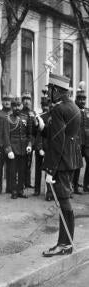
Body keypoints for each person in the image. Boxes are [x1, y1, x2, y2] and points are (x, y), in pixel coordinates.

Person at [38, 73, 82, 257]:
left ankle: (65, 244)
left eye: (50, 90)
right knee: (65, 201)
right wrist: (42, 127)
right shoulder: (74, 107)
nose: (49, 93)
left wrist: (50, 170)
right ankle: (66, 243)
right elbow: (61, 134)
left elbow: (57, 142)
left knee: (64, 202)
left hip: (60, 163)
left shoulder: (58, 110)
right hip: (70, 160)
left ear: (56, 90)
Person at [4, 97, 32, 199]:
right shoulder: (8, 118)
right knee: (13, 171)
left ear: (21, 106)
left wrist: (29, 145)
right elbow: (6, 136)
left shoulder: (26, 117)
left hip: (23, 148)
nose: (17, 108)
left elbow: (29, 134)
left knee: (22, 170)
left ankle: (21, 190)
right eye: (14, 106)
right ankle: (14, 190)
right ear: (12, 107)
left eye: (18, 105)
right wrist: (9, 150)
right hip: (13, 148)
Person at [72, 82, 89, 194]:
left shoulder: (88, 111)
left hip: (87, 142)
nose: (82, 101)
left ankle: (86, 185)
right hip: (77, 142)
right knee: (77, 165)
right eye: (80, 99)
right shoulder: (73, 110)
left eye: (84, 99)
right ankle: (75, 186)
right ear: (76, 99)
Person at [0, 93, 12, 194]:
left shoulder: (13, 114)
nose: (7, 102)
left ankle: (9, 187)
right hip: (0, 144)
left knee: (10, 167)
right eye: (5, 100)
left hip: (10, 145)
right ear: (2, 102)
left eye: (8, 100)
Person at [33, 90, 50, 197]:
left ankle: (48, 191)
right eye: (43, 105)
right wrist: (39, 148)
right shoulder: (39, 117)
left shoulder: (52, 117)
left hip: (49, 148)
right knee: (38, 170)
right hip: (40, 147)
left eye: (47, 105)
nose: (45, 108)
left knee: (48, 170)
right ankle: (37, 189)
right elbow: (38, 135)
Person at [20, 91, 36, 189]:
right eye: (25, 99)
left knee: (29, 161)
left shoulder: (33, 113)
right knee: (22, 161)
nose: (26, 101)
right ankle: (21, 181)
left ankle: (28, 181)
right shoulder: (20, 113)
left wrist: (34, 120)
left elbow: (36, 128)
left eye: (28, 99)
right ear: (22, 101)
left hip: (31, 140)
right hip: (22, 141)